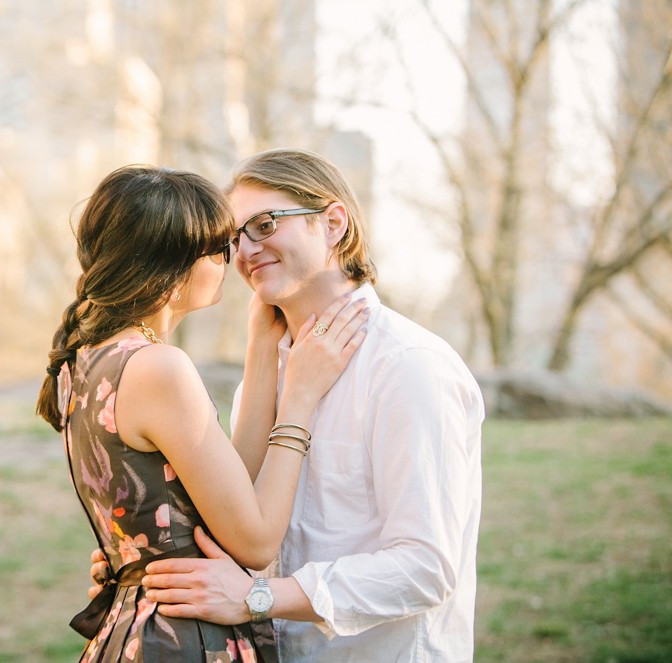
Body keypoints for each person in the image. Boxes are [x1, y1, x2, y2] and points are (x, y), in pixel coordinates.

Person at [92, 149, 485, 662]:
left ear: (334, 223)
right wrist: (147, 551)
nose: (246, 250)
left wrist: (257, 599)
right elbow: (237, 526)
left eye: (265, 224)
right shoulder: (262, 380)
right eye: (234, 238)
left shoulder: (408, 366)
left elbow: (425, 568)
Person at [36, 165, 370, 662]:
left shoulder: (84, 362)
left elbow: (224, 500)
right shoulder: (157, 368)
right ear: (173, 265)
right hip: (183, 639)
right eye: (220, 248)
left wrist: (261, 351)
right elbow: (254, 543)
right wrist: (298, 398)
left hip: (136, 631)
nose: (235, 258)